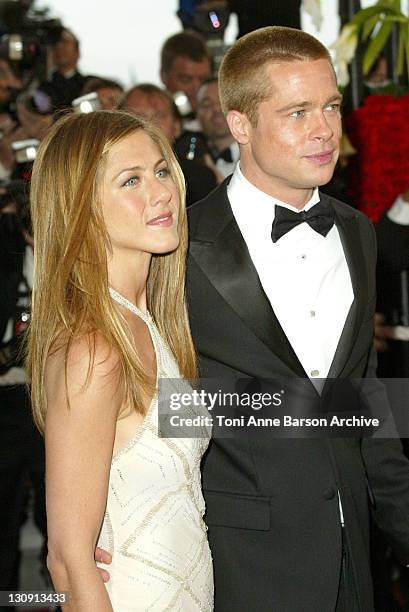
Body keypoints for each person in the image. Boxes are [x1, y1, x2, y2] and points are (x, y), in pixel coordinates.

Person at [185, 26, 409, 611]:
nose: (325, 130)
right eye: (297, 112)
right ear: (240, 124)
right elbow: (159, 405)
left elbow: (363, 401)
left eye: (331, 106)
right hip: (239, 561)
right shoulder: (181, 244)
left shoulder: (358, 231)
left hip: (356, 561)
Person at [26, 111, 213, 611]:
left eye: (160, 171)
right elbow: (67, 559)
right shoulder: (95, 348)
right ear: (80, 208)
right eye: (130, 180)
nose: (160, 192)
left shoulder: (151, 324)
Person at [120, 84, 219, 205]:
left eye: (159, 116)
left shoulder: (198, 179)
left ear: (177, 126)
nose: (149, 124)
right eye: (139, 117)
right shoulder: (107, 178)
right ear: (119, 127)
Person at [196, 77, 239, 177]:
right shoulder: (193, 163)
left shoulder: (260, 155)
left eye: (222, 101)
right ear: (197, 116)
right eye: (207, 105)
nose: (216, 109)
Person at [160, 31, 211, 114]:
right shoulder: (148, 122)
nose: (197, 87)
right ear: (163, 76)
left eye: (204, 79)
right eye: (186, 79)